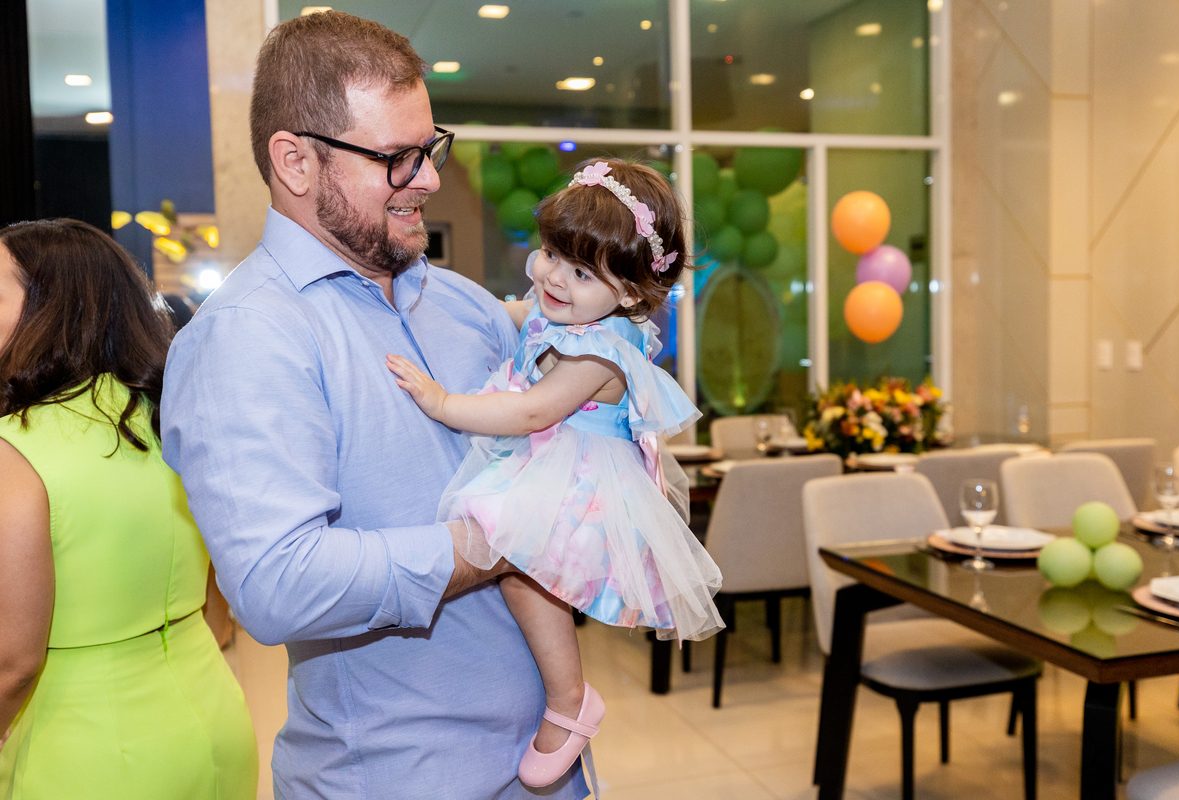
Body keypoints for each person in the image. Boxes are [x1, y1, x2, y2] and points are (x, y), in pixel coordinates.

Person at [160, 11, 589, 799]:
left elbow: (559, 462)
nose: (429, 179)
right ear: (294, 161)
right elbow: (278, 584)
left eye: (430, 148)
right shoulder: (247, 336)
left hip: (549, 766)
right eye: (397, 158)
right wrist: (495, 540)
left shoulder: (470, 308)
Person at [387, 158, 724, 786]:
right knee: (519, 576)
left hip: (580, 483)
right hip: (548, 464)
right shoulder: (571, 313)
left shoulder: (599, 351)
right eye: (550, 254)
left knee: (521, 573)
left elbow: (533, 410)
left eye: (580, 272)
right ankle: (563, 694)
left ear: (629, 293)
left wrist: (442, 403)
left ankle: (570, 700)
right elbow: (504, 314)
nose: (553, 278)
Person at [0, 219, 257, 798]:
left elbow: (13, 662)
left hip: (81, 748)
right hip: (212, 716)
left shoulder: (15, 450)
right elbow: (219, 609)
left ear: (49, 311)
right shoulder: (172, 417)